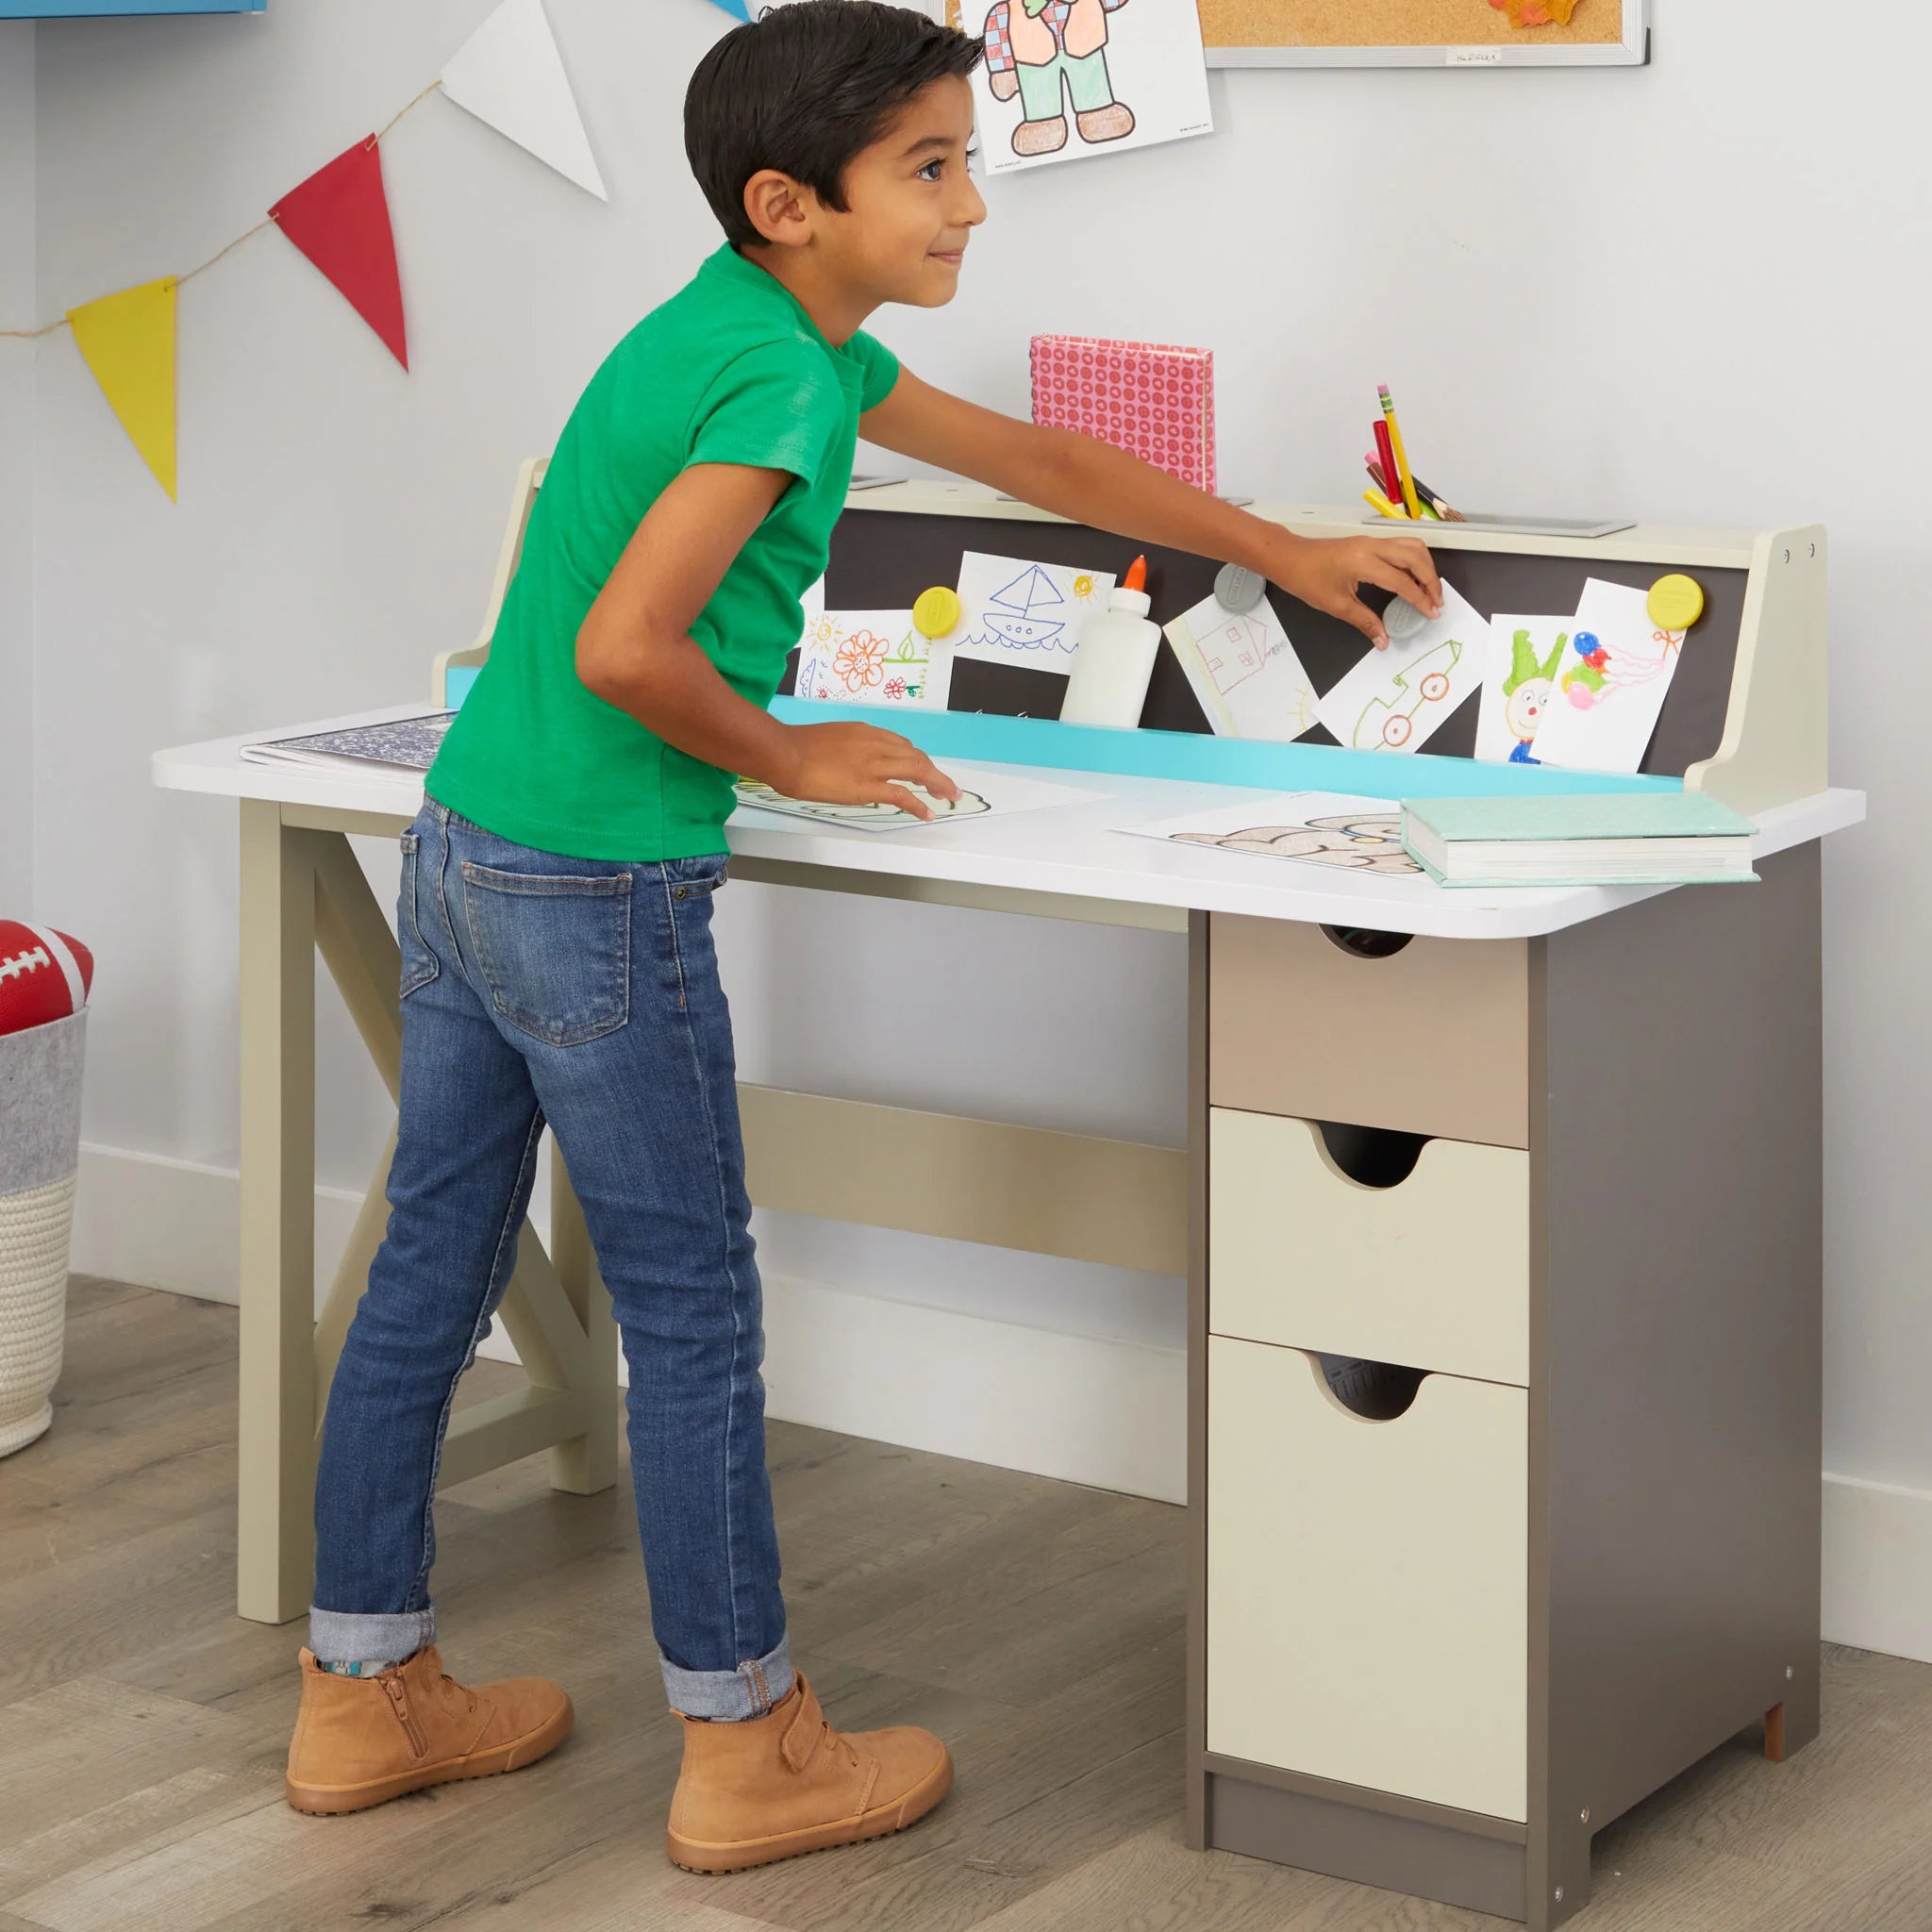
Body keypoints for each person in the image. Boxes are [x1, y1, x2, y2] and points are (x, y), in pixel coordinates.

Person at [283, 0, 1441, 1874]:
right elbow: (626, 647)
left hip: (475, 841)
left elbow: (1037, 462)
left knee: (435, 1250)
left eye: (964, 159)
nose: (972, 205)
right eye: (929, 166)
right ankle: (747, 1742)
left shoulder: (752, 329)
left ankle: (362, 1690)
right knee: (693, 1302)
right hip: (597, 878)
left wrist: (1280, 549)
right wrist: (793, 751)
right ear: (788, 199)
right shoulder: (778, 383)